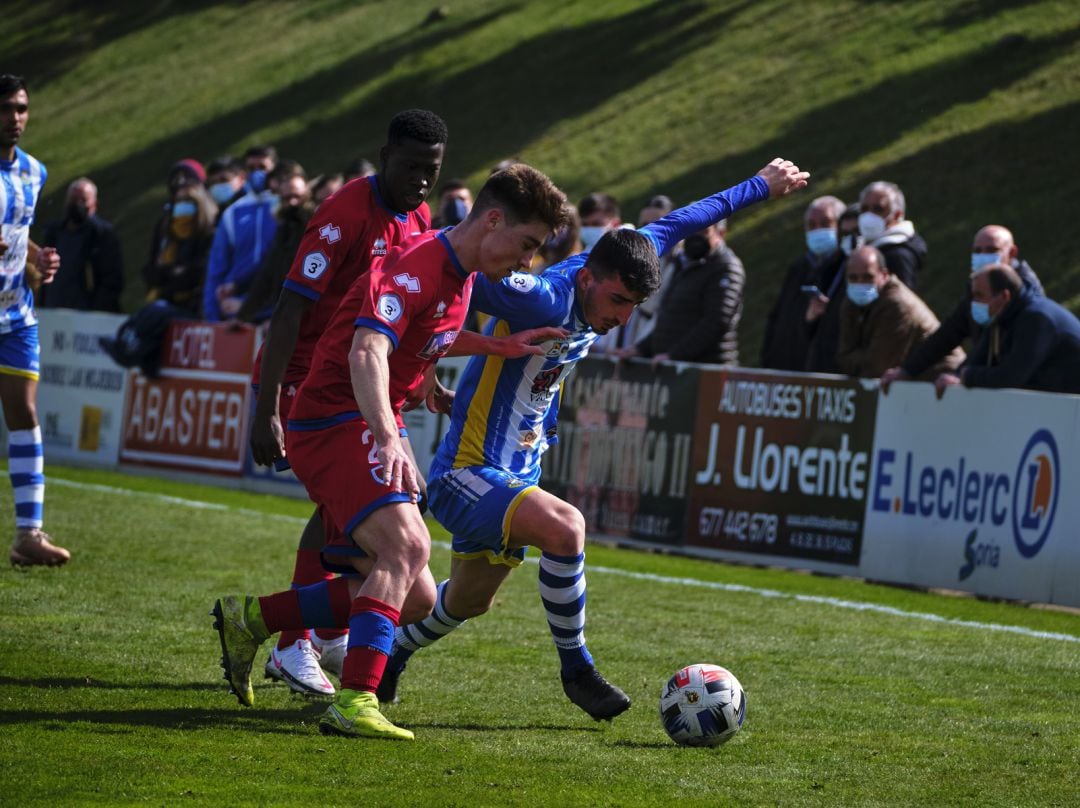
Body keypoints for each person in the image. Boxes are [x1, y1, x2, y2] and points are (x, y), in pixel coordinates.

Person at [379, 159, 809, 723]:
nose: (624, 319)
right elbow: (456, 264)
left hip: (518, 472)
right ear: (587, 279)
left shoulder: (618, 260)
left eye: (634, 308)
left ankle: (389, 654)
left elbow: (684, 219)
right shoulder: (539, 298)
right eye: (617, 304)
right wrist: (413, 285)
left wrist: (761, 185)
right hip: (466, 472)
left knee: (465, 602)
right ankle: (576, 670)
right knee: (567, 528)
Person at [214, 162, 571, 742]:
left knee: (415, 597)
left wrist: (496, 346)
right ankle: (355, 700)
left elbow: (431, 334)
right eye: (527, 244)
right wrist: (386, 434)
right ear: (494, 219)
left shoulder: (458, 273)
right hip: (334, 417)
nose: (527, 261)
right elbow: (368, 351)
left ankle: (251, 618)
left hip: (360, 417)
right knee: (408, 545)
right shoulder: (420, 262)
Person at [245, 110, 449, 699]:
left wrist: (426, 378)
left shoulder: (419, 216)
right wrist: (266, 408)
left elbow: (409, 314)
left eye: (430, 170)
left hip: (355, 384)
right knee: (342, 509)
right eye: (410, 166)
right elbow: (290, 307)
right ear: (385, 156)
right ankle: (292, 644)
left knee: (351, 514)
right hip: (305, 379)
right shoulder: (343, 215)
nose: (419, 180)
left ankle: (323, 632)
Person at [0, 75, 67, 566]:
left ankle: (29, 534)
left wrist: (39, 259)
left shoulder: (34, 172)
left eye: (22, 108)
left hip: (15, 313)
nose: (16, 118)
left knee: (24, 414)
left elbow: (18, 236)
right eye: (6, 109)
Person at [881, 225, 1043, 391]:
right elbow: (950, 332)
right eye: (978, 250)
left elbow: (1000, 348)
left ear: (1012, 253)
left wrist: (962, 375)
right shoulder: (979, 284)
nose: (983, 256)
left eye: (991, 250)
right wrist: (907, 370)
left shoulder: (1027, 295)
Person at [934, 264, 1080, 396]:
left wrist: (967, 376)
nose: (974, 303)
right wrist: (955, 376)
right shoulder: (1001, 316)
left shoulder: (1037, 318)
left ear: (1004, 296)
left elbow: (1011, 376)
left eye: (979, 296)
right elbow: (978, 358)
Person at [622, 218, 745, 365]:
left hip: (706, 372)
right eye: (690, 230)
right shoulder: (684, 264)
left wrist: (674, 356)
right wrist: (641, 349)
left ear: (721, 233)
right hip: (676, 369)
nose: (695, 236)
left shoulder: (726, 267)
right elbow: (669, 318)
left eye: (704, 231)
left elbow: (716, 321)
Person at [836, 245, 962, 379]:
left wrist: (856, 357)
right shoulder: (851, 302)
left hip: (943, 380)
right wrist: (863, 357)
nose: (860, 284)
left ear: (884, 275)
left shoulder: (897, 304)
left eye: (868, 277)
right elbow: (842, 357)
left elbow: (878, 367)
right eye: (853, 278)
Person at [203, 162, 300, 321]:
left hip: (274, 311)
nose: (257, 173)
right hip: (237, 310)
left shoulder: (288, 211)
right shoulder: (233, 213)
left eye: (263, 168)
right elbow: (216, 269)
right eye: (252, 168)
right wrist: (212, 318)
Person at [760, 195, 845, 370]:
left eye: (825, 223)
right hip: (785, 366)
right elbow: (777, 316)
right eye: (812, 225)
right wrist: (768, 357)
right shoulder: (799, 267)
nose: (818, 230)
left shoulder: (846, 267)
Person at [142, 158, 217, 314]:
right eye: (179, 200)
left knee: (155, 314)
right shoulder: (164, 227)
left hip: (194, 304)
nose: (183, 205)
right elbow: (151, 270)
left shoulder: (210, 228)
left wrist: (170, 272)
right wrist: (171, 272)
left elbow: (199, 270)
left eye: (188, 200)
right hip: (165, 299)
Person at [235, 173, 312, 324]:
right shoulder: (284, 230)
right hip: (284, 313)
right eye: (287, 198)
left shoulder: (313, 229)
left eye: (297, 196)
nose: (293, 202)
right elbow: (267, 274)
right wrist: (243, 316)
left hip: (305, 316)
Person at [40, 177, 124, 312]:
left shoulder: (103, 234)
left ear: (94, 204)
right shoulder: (54, 232)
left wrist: (97, 309)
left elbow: (112, 280)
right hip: (54, 311)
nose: (77, 204)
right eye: (73, 199)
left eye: (83, 200)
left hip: (88, 315)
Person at [857, 181, 926, 291]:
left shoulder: (898, 256)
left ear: (897, 215)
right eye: (864, 209)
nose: (869, 215)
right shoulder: (862, 247)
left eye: (878, 209)